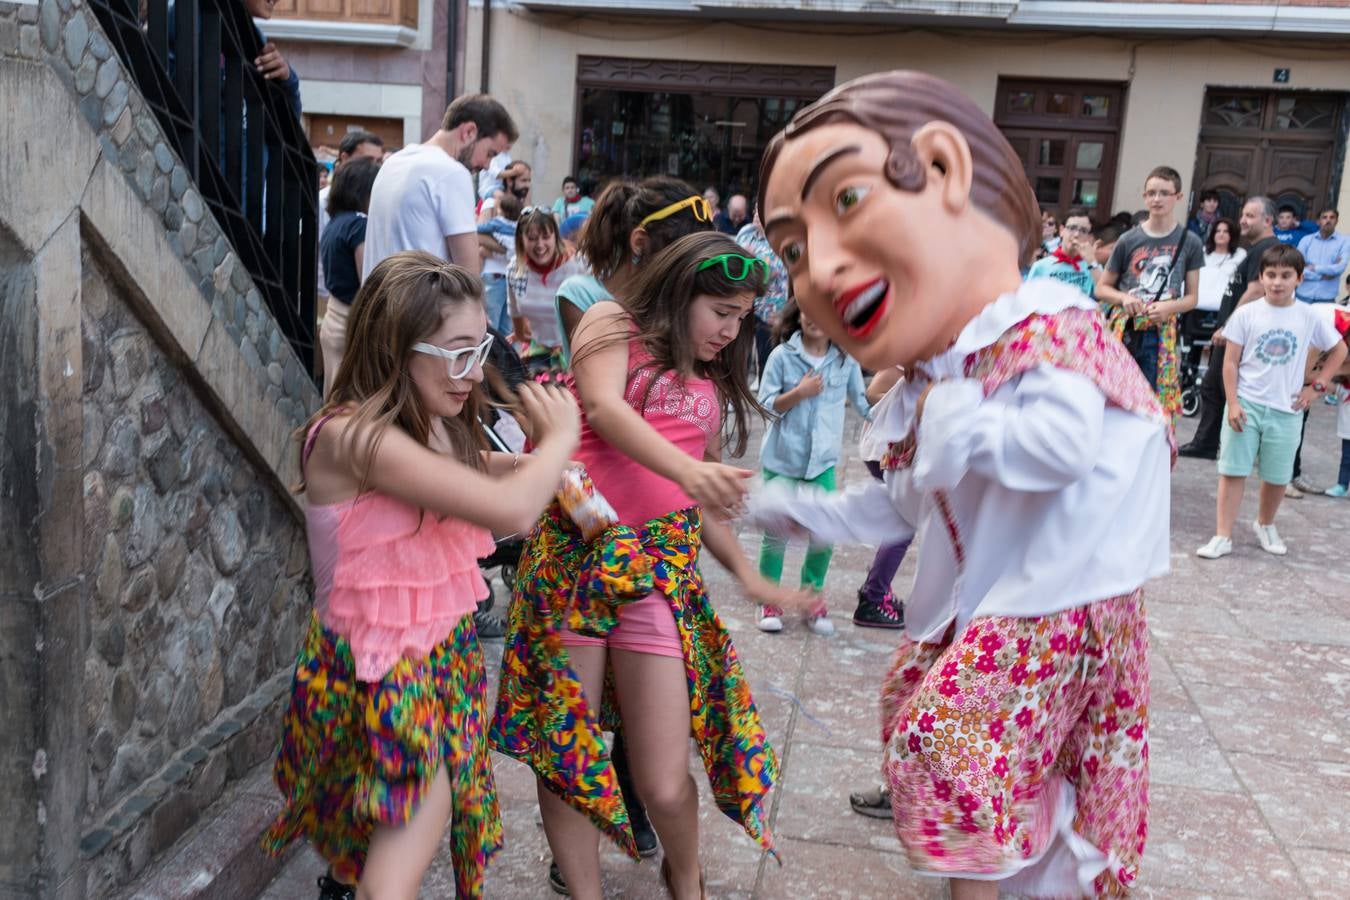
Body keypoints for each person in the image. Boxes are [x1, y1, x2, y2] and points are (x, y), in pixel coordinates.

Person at [752, 69, 1171, 898]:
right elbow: (903, 503)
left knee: (946, 750)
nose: (820, 270)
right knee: (938, 743)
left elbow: (1058, 445)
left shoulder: (1046, 320)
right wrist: (795, 511)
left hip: (1055, 604)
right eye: (792, 251)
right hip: (993, 607)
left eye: (845, 202)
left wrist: (954, 419)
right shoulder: (934, 374)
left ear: (945, 171)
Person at [492, 231, 812, 900]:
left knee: (665, 780)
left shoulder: (713, 378)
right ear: (680, 289)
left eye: (743, 316)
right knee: (567, 755)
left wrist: (746, 572)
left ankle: (684, 877)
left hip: (658, 576)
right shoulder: (612, 323)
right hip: (573, 563)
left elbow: (699, 500)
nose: (731, 330)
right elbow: (605, 410)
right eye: (721, 311)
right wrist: (695, 469)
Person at [261, 252, 582, 900]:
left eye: (480, 348)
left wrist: (539, 468)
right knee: (407, 834)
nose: (473, 372)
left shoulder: (428, 425)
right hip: (374, 673)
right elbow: (512, 510)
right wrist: (559, 442)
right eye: (457, 352)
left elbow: (483, 468)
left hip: (433, 659)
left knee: (388, 836)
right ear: (397, 345)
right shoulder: (351, 438)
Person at [1195, 245, 1347, 559]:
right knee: (1233, 471)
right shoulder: (1247, 313)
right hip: (1246, 404)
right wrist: (1233, 403)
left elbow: (1339, 351)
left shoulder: (1308, 315)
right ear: (1262, 277)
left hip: (1287, 409)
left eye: (1285, 276)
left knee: (1277, 476)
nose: (1277, 282)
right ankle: (1223, 534)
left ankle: (1265, 523)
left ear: (1299, 279)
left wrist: (1316, 387)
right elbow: (1230, 363)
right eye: (1271, 275)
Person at [755, 299, 871, 635]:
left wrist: (899, 415)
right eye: (809, 310)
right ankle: (769, 597)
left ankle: (811, 596)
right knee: (775, 535)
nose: (814, 319)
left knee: (825, 532)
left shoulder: (845, 360)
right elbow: (765, 407)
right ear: (799, 315)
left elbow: (863, 403)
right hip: (783, 459)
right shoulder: (781, 357)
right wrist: (799, 393)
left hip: (821, 463)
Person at [553, 177, 715, 365]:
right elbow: (600, 381)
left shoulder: (678, 303)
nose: (689, 273)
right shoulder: (581, 296)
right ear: (639, 243)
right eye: (681, 261)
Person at [362, 94, 518, 279]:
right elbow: (468, 276)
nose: (487, 165)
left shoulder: (393, 162)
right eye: (490, 153)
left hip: (378, 302)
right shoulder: (452, 173)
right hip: (420, 306)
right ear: (469, 132)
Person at [1096, 165, 1204, 423]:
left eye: (1165, 193)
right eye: (1152, 193)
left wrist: (1169, 308)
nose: (1157, 199)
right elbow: (1102, 288)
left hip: (1160, 333)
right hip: (1126, 329)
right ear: (1144, 196)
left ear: (1178, 197)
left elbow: (1192, 298)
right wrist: (1124, 298)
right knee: (1114, 396)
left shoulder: (1190, 242)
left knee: (1153, 403)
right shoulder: (1128, 239)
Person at [1179, 196, 1282, 459]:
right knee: (1214, 387)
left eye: (1250, 216)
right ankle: (1207, 443)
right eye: (1243, 215)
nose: (1243, 221)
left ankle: (1230, 445)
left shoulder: (1266, 248)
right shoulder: (1257, 248)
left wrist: (1228, 325)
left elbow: (1256, 289)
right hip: (1235, 330)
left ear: (1267, 220)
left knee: (1223, 387)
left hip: (1240, 332)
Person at [318, 156, 380, 395]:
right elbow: (369, 281)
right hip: (352, 324)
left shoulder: (336, 223)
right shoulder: (358, 225)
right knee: (350, 405)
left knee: (334, 396)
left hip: (334, 317)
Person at [505, 207, 587, 365]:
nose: (540, 245)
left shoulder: (578, 265)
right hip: (539, 354)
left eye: (545, 237)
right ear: (521, 240)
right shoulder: (515, 270)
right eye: (532, 238)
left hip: (578, 354)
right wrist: (532, 339)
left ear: (555, 237)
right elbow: (517, 322)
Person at [317, 131, 385, 313]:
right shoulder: (355, 223)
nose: (376, 168)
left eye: (379, 161)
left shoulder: (342, 218)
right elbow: (368, 283)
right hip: (337, 305)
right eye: (368, 161)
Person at [734, 211, 791, 379]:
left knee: (766, 352)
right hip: (744, 302)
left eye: (761, 212)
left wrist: (748, 259)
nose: (757, 216)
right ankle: (736, 390)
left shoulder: (780, 238)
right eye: (754, 212)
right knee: (738, 350)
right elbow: (732, 261)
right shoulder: (746, 232)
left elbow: (773, 272)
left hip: (771, 308)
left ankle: (767, 392)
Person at [1024, 207, 1100, 298]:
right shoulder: (1041, 266)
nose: (1076, 235)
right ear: (1061, 230)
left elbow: (1103, 295)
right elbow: (1028, 299)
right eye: (1072, 228)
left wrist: (1092, 262)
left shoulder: (1093, 267)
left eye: (1083, 231)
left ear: (1089, 236)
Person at [475, 194, 521, 335]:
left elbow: (477, 231)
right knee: (506, 329)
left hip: (495, 276)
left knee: (491, 325)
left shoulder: (496, 223)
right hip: (512, 278)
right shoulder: (519, 227)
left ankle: (492, 355)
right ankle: (502, 356)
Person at [1295, 207, 1348, 305]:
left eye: (1332, 217)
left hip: (1326, 298)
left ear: (1336, 221)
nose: (1328, 220)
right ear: (1318, 221)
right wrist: (1323, 275)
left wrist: (1314, 267)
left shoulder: (1345, 241)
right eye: (1324, 217)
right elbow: (1298, 267)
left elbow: (1339, 268)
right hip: (1302, 295)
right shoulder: (1306, 240)